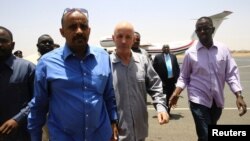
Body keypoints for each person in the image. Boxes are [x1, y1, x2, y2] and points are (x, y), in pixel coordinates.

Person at [28, 8, 118, 141]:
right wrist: (35, 137)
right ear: (62, 32)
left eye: (83, 26)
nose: (79, 31)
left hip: (100, 135)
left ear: (89, 30)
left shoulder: (103, 57)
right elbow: (39, 105)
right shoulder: (46, 63)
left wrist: (113, 121)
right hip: (63, 136)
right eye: (72, 27)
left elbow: (109, 95)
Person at [169, 17, 247, 141]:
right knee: (205, 135)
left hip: (217, 101)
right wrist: (176, 93)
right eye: (199, 29)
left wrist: (238, 95)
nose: (202, 32)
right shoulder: (190, 53)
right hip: (197, 100)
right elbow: (184, 77)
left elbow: (231, 74)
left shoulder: (223, 50)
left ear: (213, 30)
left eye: (205, 28)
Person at [110, 21, 169, 141]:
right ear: (113, 38)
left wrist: (161, 107)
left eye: (128, 37)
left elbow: (156, 85)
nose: (124, 41)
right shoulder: (106, 64)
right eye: (120, 36)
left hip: (140, 132)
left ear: (133, 39)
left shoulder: (143, 61)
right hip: (117, 134)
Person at [0, 26, 35, 141]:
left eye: (3, 41)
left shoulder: (28, 68)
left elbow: (39, 99)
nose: (0, 45)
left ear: (13, 44)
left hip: (21, 134)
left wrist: (18, 119)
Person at [153, 44, 180, 116]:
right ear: (162, 49)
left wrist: (177, 78)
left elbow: (177, 67)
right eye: (165, 47)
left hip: (172, 81)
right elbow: (154, 69)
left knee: (171, 96)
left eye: (167, 47)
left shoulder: (173, 56)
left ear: (169, 49)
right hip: (163, 81)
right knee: (164, 97)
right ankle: (163, 111)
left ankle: (168, 111)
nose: (166, 49)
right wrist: (156, 79)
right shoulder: (158, 57)